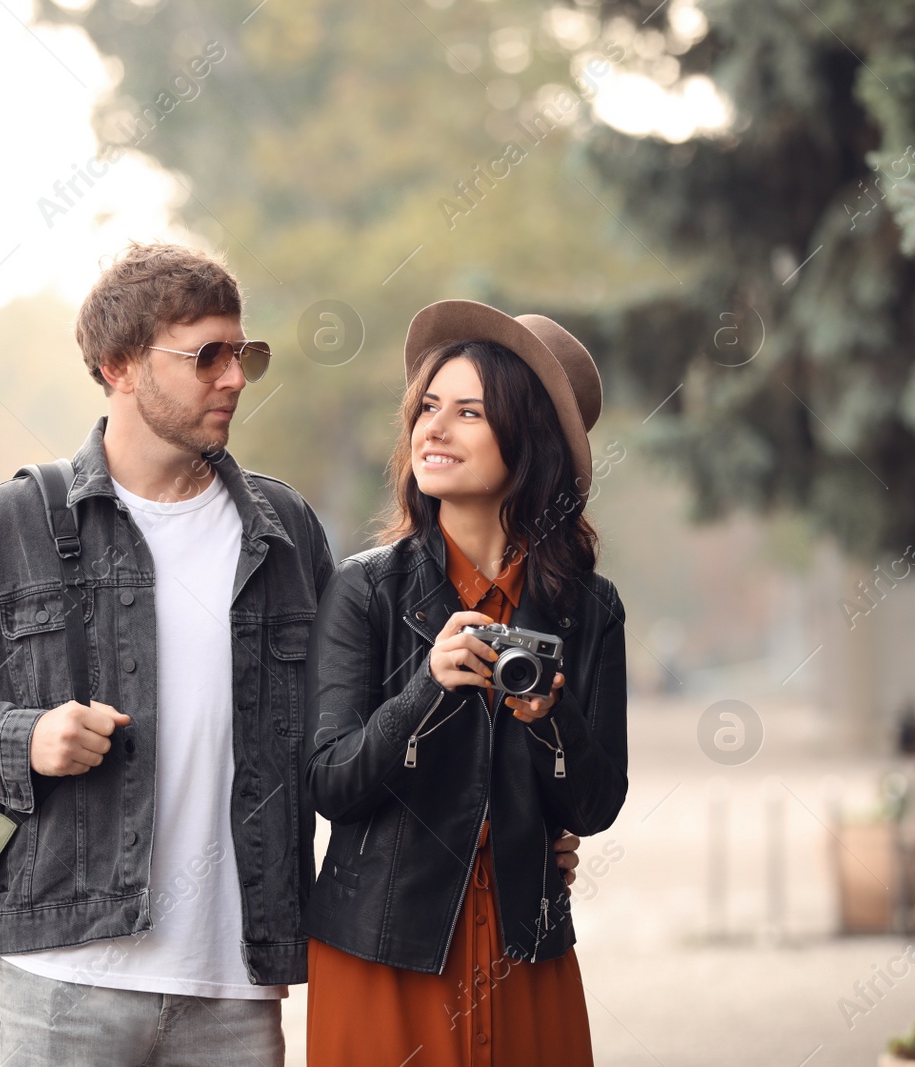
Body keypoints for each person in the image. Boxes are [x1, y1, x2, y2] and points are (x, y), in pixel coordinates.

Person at [0, 243, 585, 1066]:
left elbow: (369, 727)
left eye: (245, 354)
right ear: (119, 366)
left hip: (238, 989)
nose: (235, 378)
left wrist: (516, 818)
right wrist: (20, 738)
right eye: (207, 356)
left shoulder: (285, 530)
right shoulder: (16, 521)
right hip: (64, 975)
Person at [302, 300, 629, 1065]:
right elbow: (330, 783)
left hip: (526, 945)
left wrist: (551, 715)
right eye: (427, 407)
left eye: (469, 411)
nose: (431, 429)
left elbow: (595, 804)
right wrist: (426, 687)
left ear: (531, 441)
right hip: (384, 952)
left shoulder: (590, 608)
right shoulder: (365, 590)